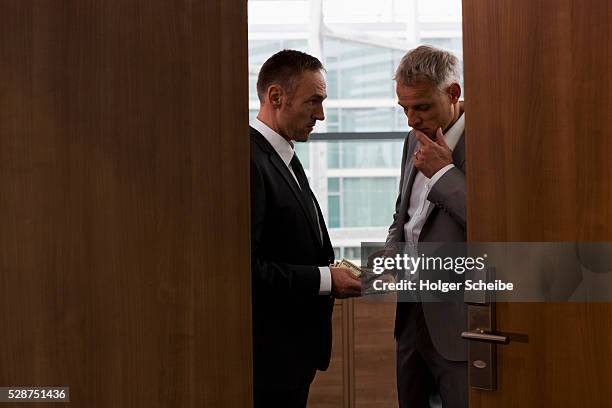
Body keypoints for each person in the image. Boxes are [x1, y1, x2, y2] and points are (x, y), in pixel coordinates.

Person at [250, 49, 362, 408]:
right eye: (314, 101)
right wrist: (326, 279)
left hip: (291, 358)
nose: (322, 115)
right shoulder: (249, 162)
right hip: (268, 362)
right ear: (276, 97)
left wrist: (334, 269)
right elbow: (248, 271)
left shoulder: (283, 155)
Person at [386, 45, 468, 408]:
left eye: (421, 107)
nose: (411, 120)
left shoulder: (492, 143)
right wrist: (390, 256)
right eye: (404, 108)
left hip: (458, 322)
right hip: (410, 315)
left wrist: (447, 174)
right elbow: (403, 216)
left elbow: (496, 226)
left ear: (453, 93)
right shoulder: (412, 139)